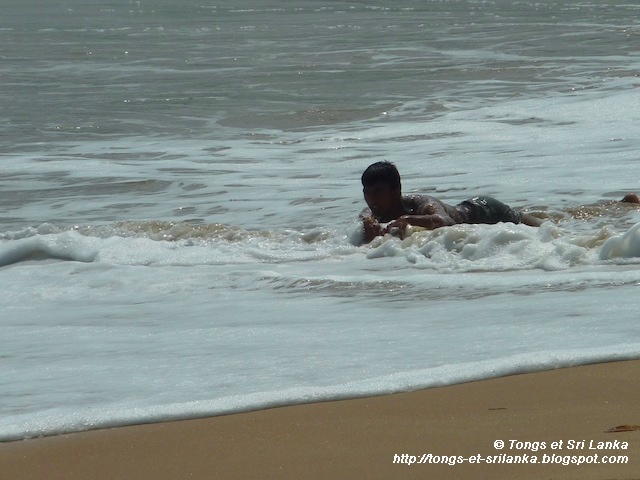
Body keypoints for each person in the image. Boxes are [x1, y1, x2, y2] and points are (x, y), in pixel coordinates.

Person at [359, 161, 639, 244]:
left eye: (379, 192)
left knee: (552, 230)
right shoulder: (372, 212)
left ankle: (623, 205)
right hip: (478, 214)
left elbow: (445, 222)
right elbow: (370, 224)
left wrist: (406, 221)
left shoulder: (421, 203)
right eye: (367, 193)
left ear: (397, 190)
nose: (372, 199)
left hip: (486, 210)